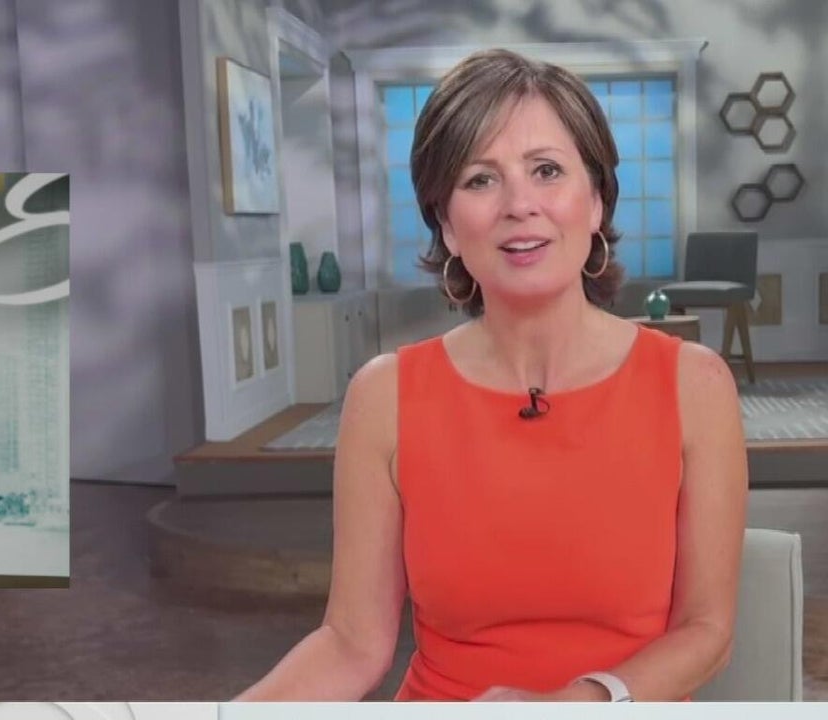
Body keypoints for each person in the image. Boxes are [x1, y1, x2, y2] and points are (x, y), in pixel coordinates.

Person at [238, 49, 747, 702]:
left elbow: (707, 630)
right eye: (480, 180)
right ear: (447, 226)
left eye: (546, 170)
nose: (519, 204)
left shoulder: (693, 386)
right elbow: (351, 643)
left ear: (596, 201)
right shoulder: (384, 396)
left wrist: (579, 705)